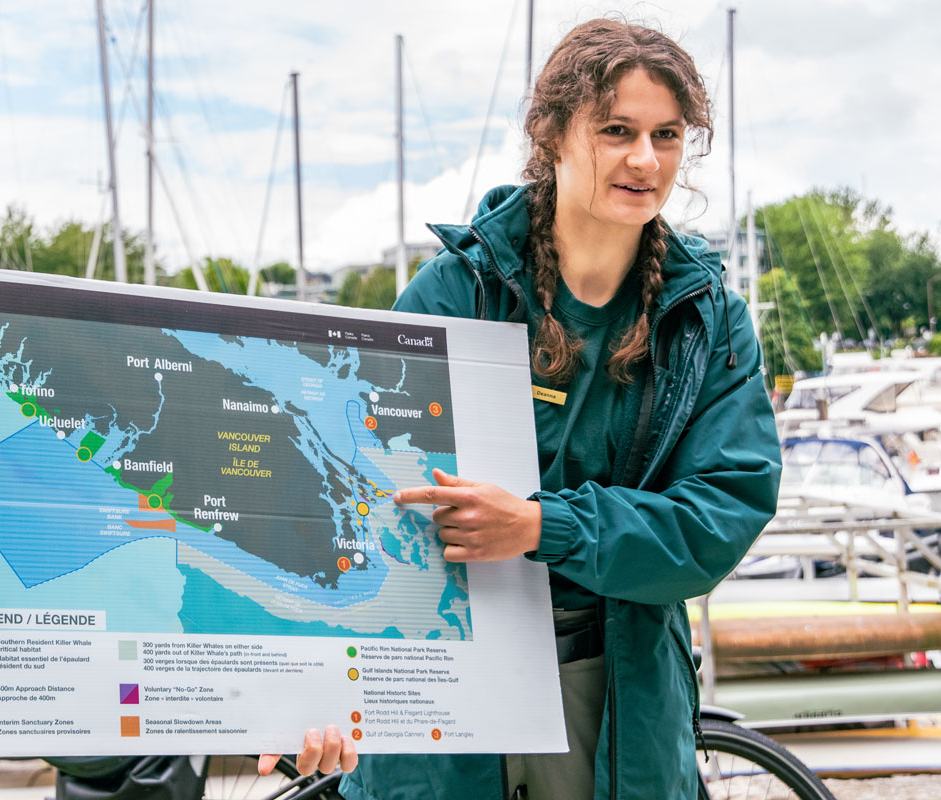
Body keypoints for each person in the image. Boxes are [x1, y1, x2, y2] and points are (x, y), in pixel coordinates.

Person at [261, 17, 781, 800]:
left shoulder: (708, 319)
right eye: (617, 130)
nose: (646, 159)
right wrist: (309, 682)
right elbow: (336, 486)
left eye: (667, 134)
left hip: (615, 690)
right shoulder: (451, 292)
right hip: (439, 674)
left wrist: (542, 527)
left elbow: (719, 519)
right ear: (553, 135)